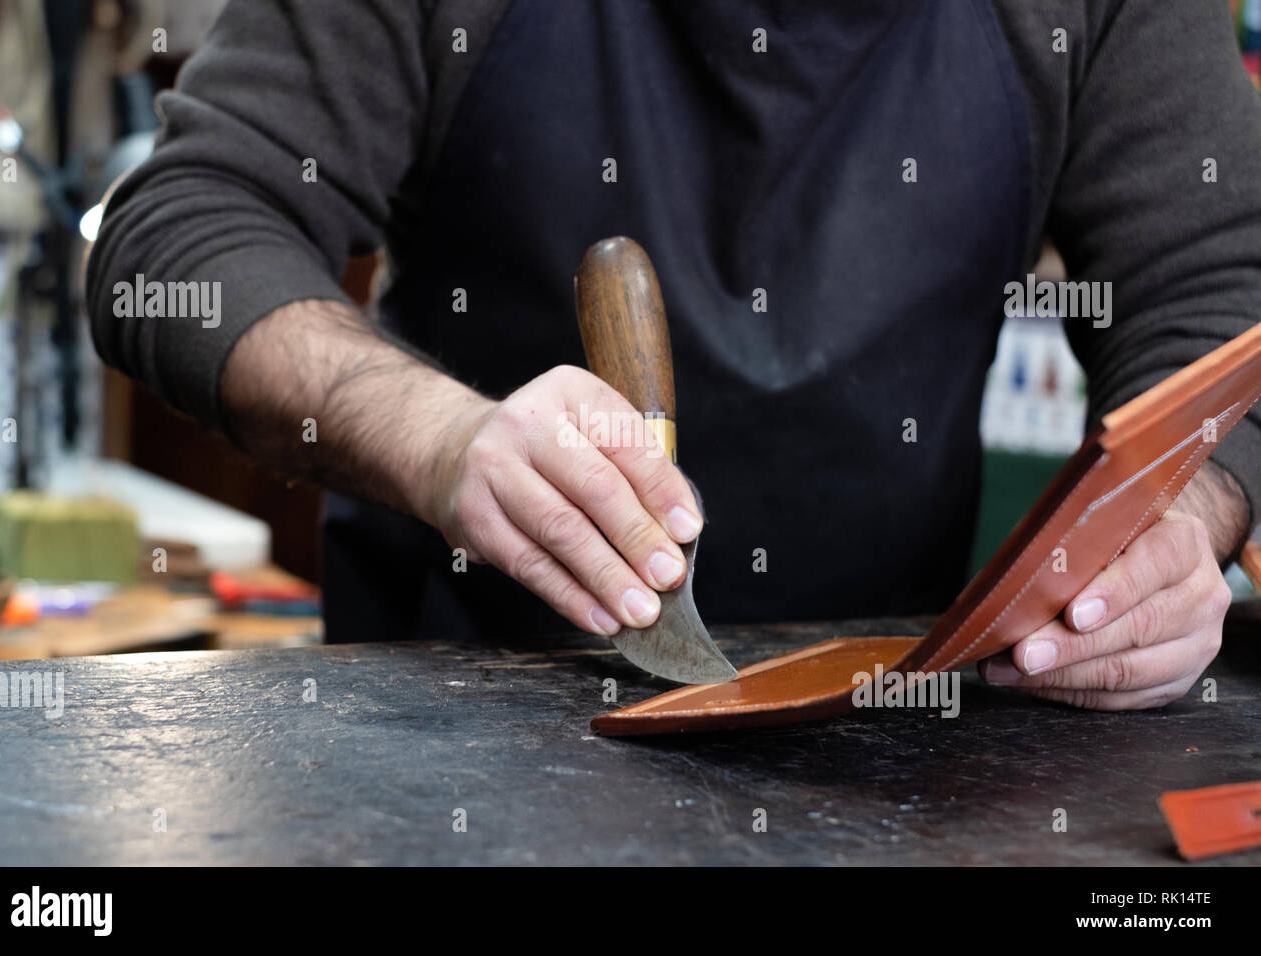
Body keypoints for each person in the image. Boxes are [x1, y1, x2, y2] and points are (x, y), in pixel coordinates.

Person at [86, 0, 1260, 711]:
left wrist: (1173, 522)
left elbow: (1220, 275)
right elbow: (176, 235)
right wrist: (440, 437)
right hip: (455, 728)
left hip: (889, 736)